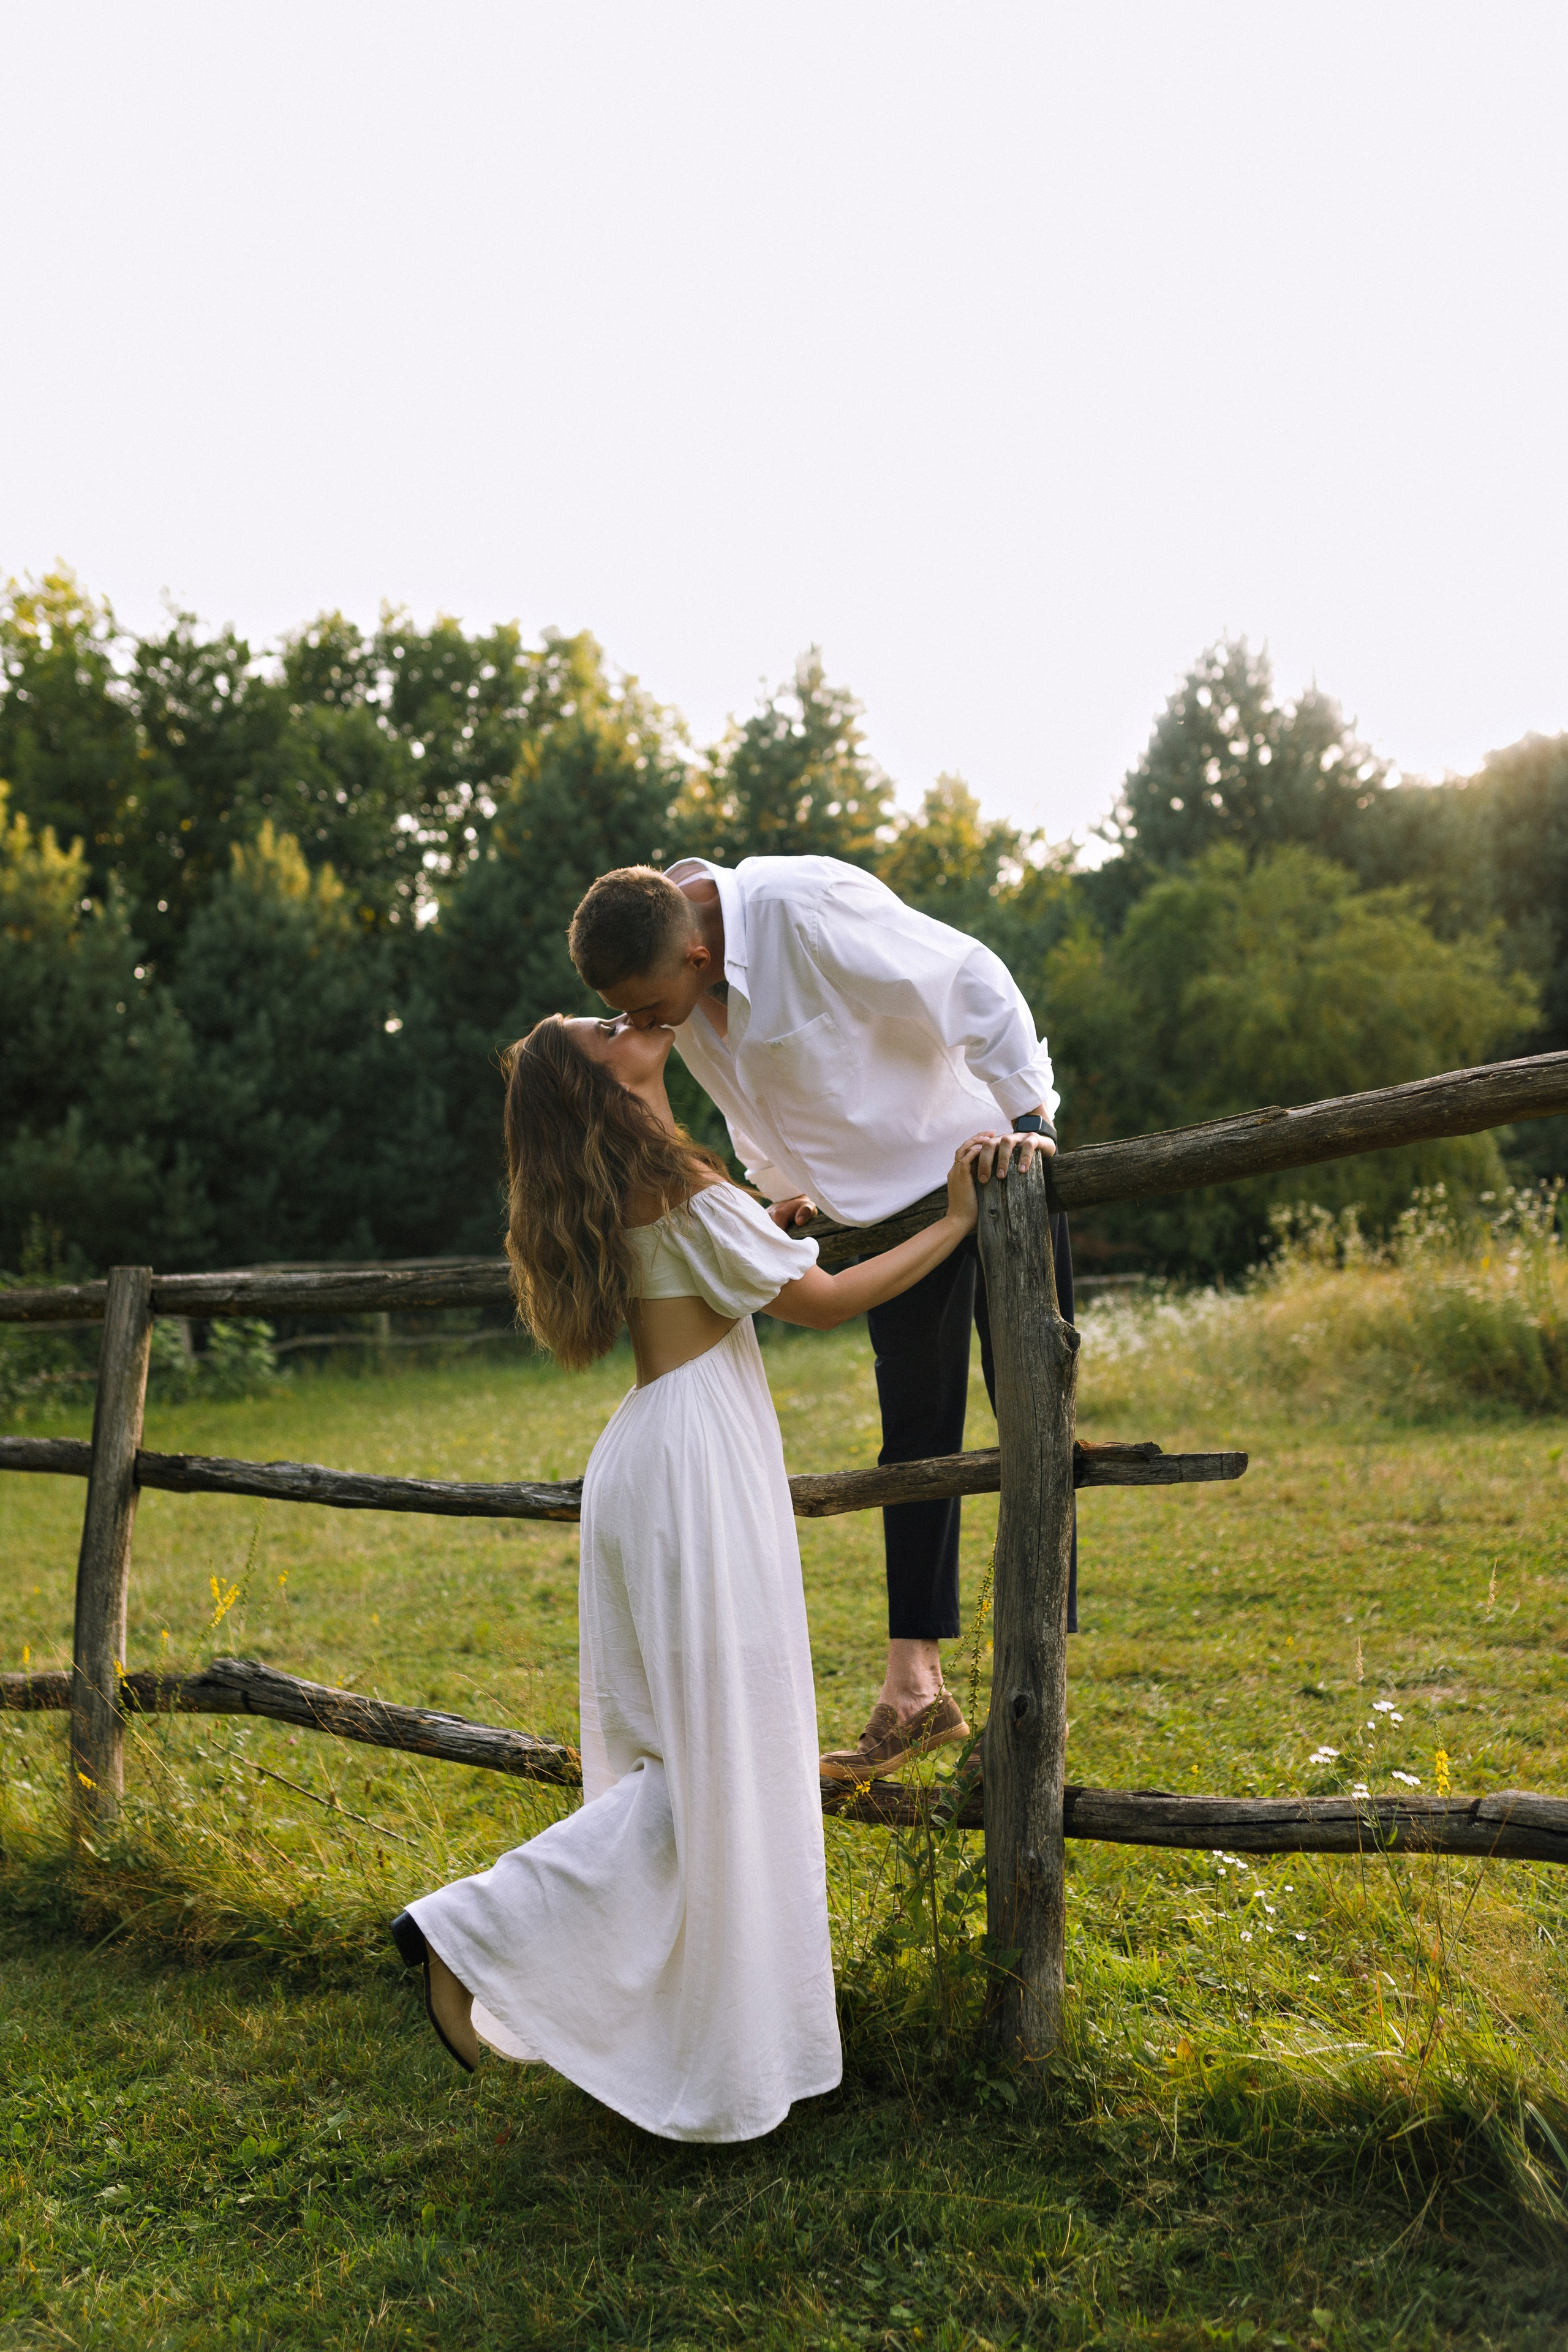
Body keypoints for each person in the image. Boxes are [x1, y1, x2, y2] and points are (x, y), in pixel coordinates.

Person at [392, 1007, 996, 2143]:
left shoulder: (633, 1185)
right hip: (694, 1469)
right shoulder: (673, 1186)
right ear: (601, 1081)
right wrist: (957, 1220)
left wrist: (762, 1226)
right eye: (602, 1025)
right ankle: (473, 1931)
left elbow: (707, 1278)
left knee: (703, 1752)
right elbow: (816, 1305)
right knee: (722, 1755)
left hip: (653, 1455)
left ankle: (581, 1974)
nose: (629, 1020)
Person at [567, 853, 1074, 1787]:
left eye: (647, 1006)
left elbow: (969, 976)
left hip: (987, 1169)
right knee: (916, 1451)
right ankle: (915, 1691)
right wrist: (786, 1194)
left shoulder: (806, 911)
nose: (641, 1027)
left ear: (697, 949)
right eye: (628, 1013)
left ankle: (1037, 1688)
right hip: (887, 1216)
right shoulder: (683, 982)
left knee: (1037, 1430)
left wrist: (1029, 1119)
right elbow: (748, 1102)